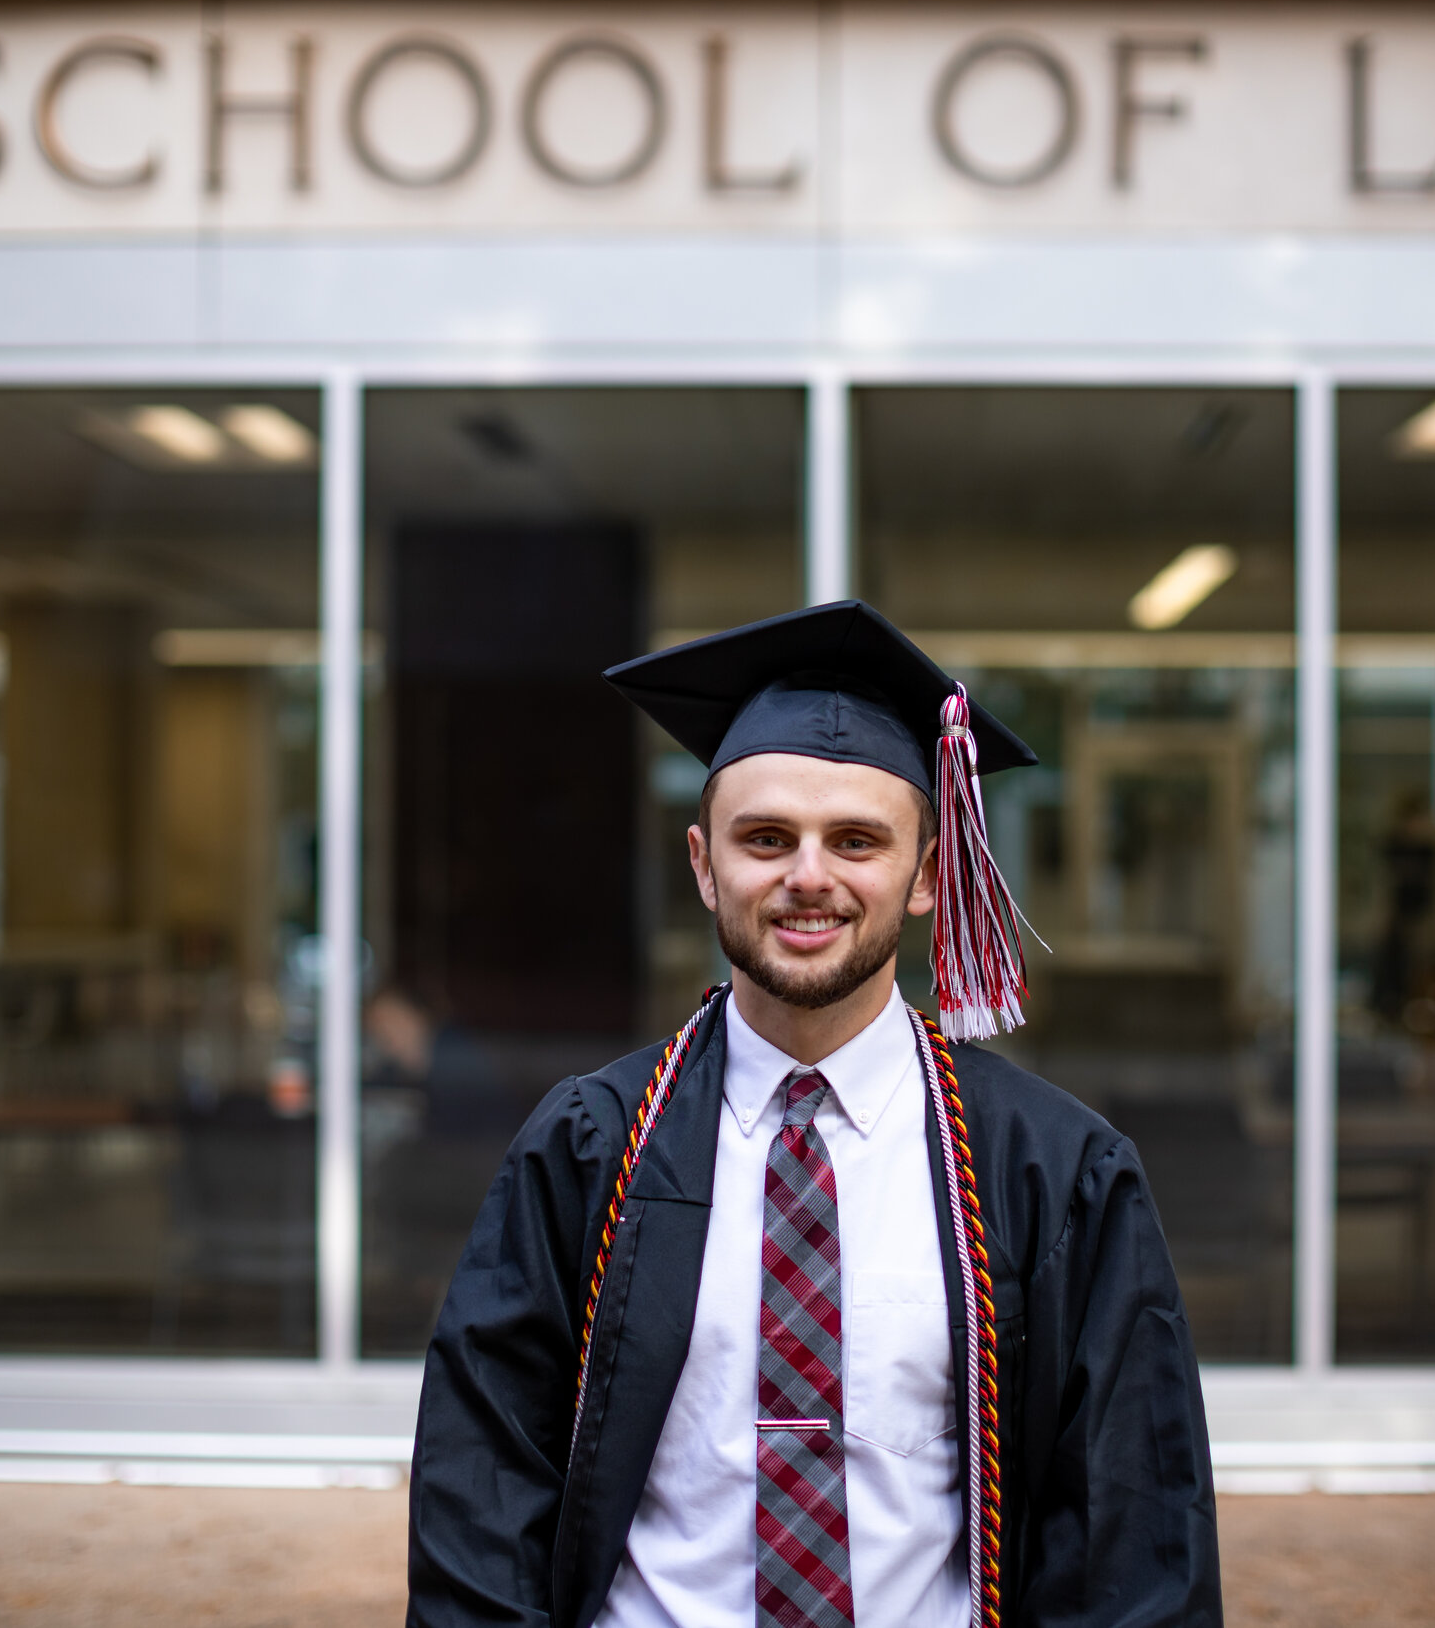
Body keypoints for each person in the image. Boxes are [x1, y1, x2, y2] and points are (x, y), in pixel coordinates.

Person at [407, 600, 1224, 1628]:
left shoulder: (1051, 1168)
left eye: (855, 839)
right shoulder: (587, 1146)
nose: (807, 875)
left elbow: (1126, 1525)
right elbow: (481, 1487)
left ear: (927, 874)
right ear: (704, 865)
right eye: (765, 837)